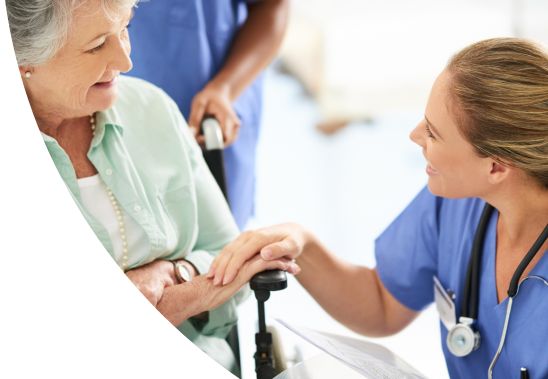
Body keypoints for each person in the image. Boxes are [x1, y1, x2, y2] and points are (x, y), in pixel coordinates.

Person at [209, 38, 548, 378]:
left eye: (432, 133)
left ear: (496, 167)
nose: (414, 136)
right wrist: (300, 243)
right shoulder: (455, 205)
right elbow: (382, 305)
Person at [6, 0, 297, 374]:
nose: (126, 60)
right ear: (23, 60)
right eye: (96, 45)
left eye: (125, 29)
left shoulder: (152, 109)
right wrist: (177, 301)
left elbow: (229, 252)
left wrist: (175, 276)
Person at [129, 0, 290, 230]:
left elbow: (272, 6)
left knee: (219, 246)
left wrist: (225, 88)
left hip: (212, 121)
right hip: (110, 110)